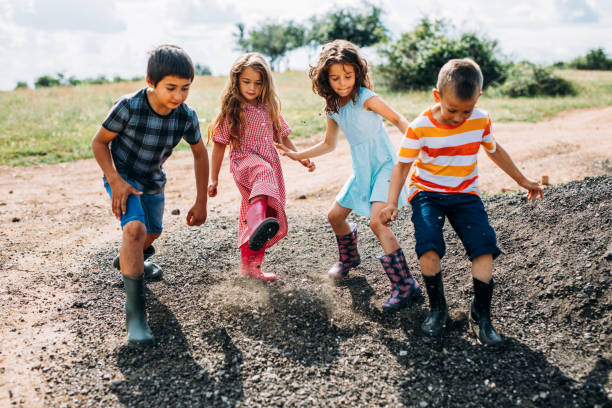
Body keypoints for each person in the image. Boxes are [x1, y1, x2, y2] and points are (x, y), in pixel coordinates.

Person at [380, 58, 544, 345]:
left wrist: (523, 180)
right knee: (428, 246)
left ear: (478, 98)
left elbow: (494, 150)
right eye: (452, 109)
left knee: (484, 246)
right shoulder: (420, 127)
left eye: (466, 111)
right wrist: (391, 202)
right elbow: (402, 166)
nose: (458, 118)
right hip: (427, 192)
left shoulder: (480, 120)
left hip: (465, 193)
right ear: (437, 96)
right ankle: (438, 309)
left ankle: (481, 315)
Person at [277, 40, 422, 312]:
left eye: (347, 76)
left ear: (357, 72)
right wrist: (297, 155)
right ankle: (349, 258)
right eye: (335, 78)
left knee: (377, 222)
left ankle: (406, 285)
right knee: (334, 216)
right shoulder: (333, 108)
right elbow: (328, 144)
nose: (342, 83)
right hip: (362, 171)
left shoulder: (366, 97)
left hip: (385, 167)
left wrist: (417, 147)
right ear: (325, 79)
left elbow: (399, 120)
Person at [92, 44, 209, 345]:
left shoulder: (185, 116)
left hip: (153, 180)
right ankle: (136, 317)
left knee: (152, 232)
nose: (178, 96)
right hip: (122, 178)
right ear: (150, 82)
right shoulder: (128, 107)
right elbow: (99, 142)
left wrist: (201, 200)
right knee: (135, 230)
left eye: (185, 88)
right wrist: (115, 180)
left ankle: (132, 258)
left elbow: (200, 153)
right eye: (171, 88)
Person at [207, 52, 314, 281]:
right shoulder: (232, 109)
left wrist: (300, 157)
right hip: (245, 162)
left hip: (269, 165)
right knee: (262, 175)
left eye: (258, 83)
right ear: (236, 80)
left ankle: (251, 269)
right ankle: (257, 225)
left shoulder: (268, 107)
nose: (252, 88)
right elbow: (219, 144)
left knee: (267, 213)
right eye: (246, 81)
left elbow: (283, 137)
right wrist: (213, 178)